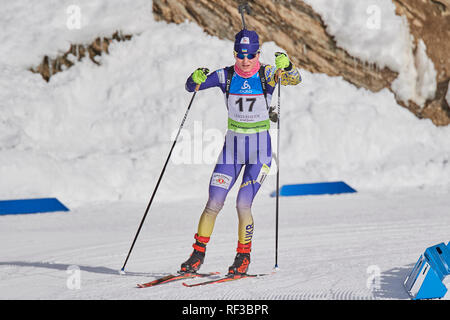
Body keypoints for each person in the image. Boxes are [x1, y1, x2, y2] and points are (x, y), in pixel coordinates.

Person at [180, 29, 301, 275]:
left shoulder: (268, 73)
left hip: (260, 153)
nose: (245, 61)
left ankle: (243, 257)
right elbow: (191, 87)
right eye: (240, 55)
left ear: (258, 53)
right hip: (231, 153)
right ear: (235, 53)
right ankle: (197, 255)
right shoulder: (226, 75)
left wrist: (287, 66)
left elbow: (295, 79)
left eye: (251, 55)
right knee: (213, 201)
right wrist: (195, 77)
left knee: (243, 204)